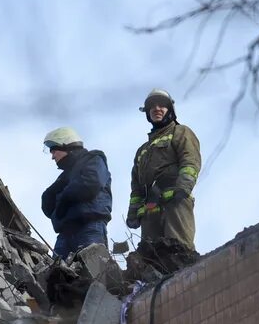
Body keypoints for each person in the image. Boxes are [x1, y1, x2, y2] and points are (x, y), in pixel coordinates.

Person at [126, 89, 201, 250]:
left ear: (170, 110)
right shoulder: (142, 151)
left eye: (162, 105)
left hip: (175, 202)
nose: (156, 108)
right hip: (150, 209)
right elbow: (136, 186)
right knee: (151, 258)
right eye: (152, 106)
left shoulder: (180, 132)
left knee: (179, 250)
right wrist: (133, 210)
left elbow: (190, 161)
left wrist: (182, 188)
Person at [41, 127, 112, 259]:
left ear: (65, 145)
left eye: (54, 151)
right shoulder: (64, 177)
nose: (52, 157)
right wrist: (48, 197)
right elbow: (48, 207)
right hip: (64, 235)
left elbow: (91, 183)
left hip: (89, 228)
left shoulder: (94, 159)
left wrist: (64, 199)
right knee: (57, 276)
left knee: (94, 273)